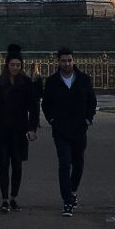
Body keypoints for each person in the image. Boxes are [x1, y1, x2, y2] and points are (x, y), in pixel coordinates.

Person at [41, 46, 97, 216]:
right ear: (58, 61)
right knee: (64, 164)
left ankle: (72, 191)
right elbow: (46, 104)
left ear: (74, 60)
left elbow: (92, 101)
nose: (67, 63)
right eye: (64, 60)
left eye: (69, 60)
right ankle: (67, 200)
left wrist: (88, 119)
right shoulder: (52, 81)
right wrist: (51, 120)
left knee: (78, 164)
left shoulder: (84, 79)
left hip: (80, 128)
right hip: (61, 130)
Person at [0, 44, 39, 212]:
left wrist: (32, 128)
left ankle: (14, 196)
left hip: (20, 130)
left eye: (18, 65)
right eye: (13, 64)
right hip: (1, 130)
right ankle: (5, 199)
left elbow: (34, 107)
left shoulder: (27, 83)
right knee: (4, 163)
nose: (15, 67)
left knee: (17, 164)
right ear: (7, 65)